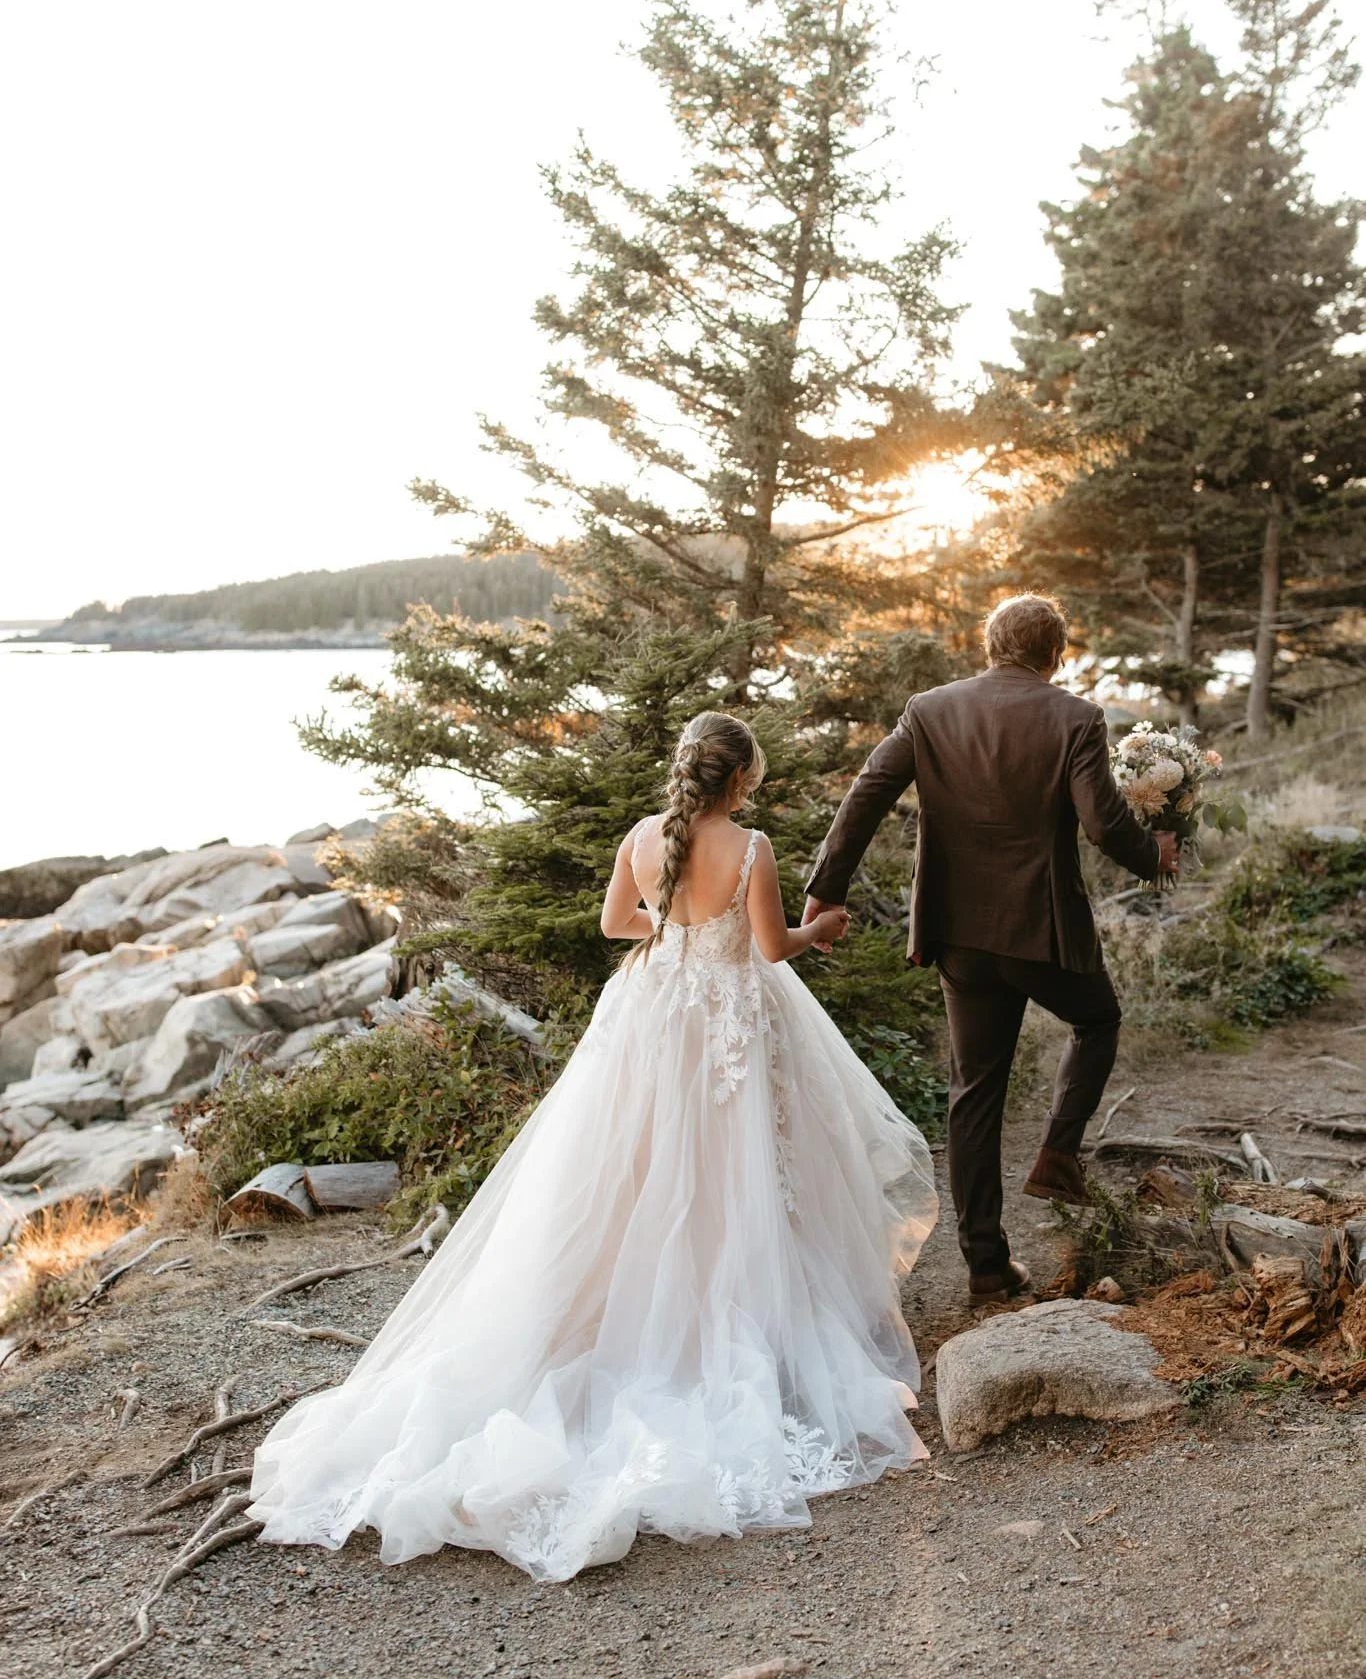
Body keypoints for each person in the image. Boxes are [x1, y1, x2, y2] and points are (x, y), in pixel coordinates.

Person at [249, 711, 937, 1581]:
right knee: (735, 1176)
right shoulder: (752, 848)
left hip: (654, 1016)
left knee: (632, 1173)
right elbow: (771, 947)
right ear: (741, 782)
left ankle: (628, 1310)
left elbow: (617, 925)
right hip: (727, 1021)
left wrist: (671, 927)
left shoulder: (645, 836)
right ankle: (731, 1321)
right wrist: (818, 933)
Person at [803, 593, 1175, 1305]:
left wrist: (828, 887)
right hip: (1044, 931)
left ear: (990, 646)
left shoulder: (930, 709)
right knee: (1096, 1022)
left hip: (960, 934)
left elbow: (868, 791)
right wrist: (1153, 854)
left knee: (975, 1090)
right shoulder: (1077, 718)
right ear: (1055, 653)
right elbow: (1103, 825)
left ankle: (985, 1265)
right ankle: (1058, 1155)